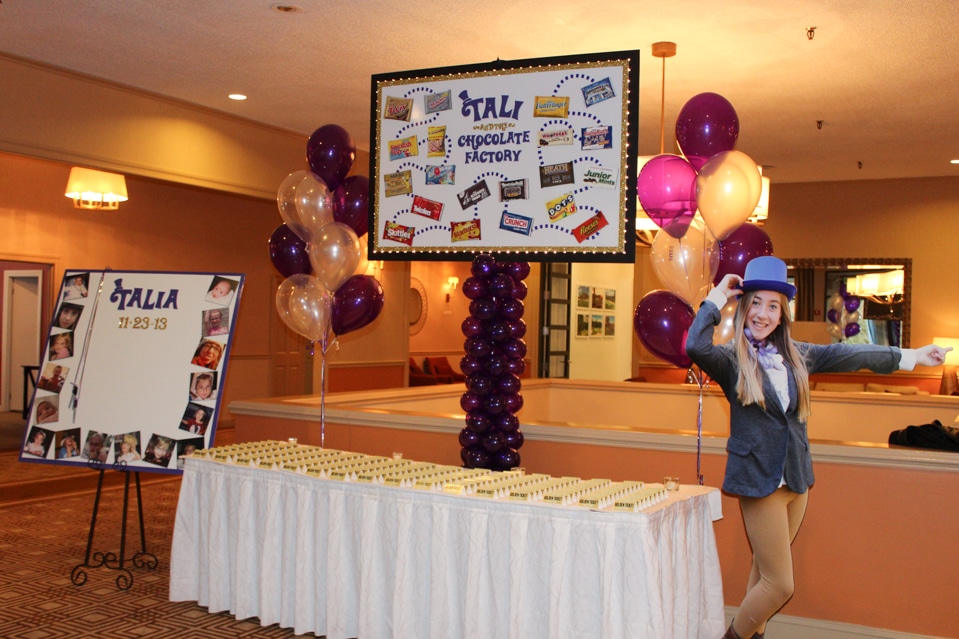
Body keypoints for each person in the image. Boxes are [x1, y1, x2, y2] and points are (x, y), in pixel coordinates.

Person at [685, 256, 952, 639]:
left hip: (796, 481)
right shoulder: (731, 360)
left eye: (772, 306)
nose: (762, 313)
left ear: (782, 314)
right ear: (744, 307)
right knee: (780, 586)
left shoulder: (797, 355)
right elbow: (695, 345)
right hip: (760, 485)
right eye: (755, 303)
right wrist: (716, 298)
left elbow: (852, 354)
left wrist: (911, 357)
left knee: (763, 574)